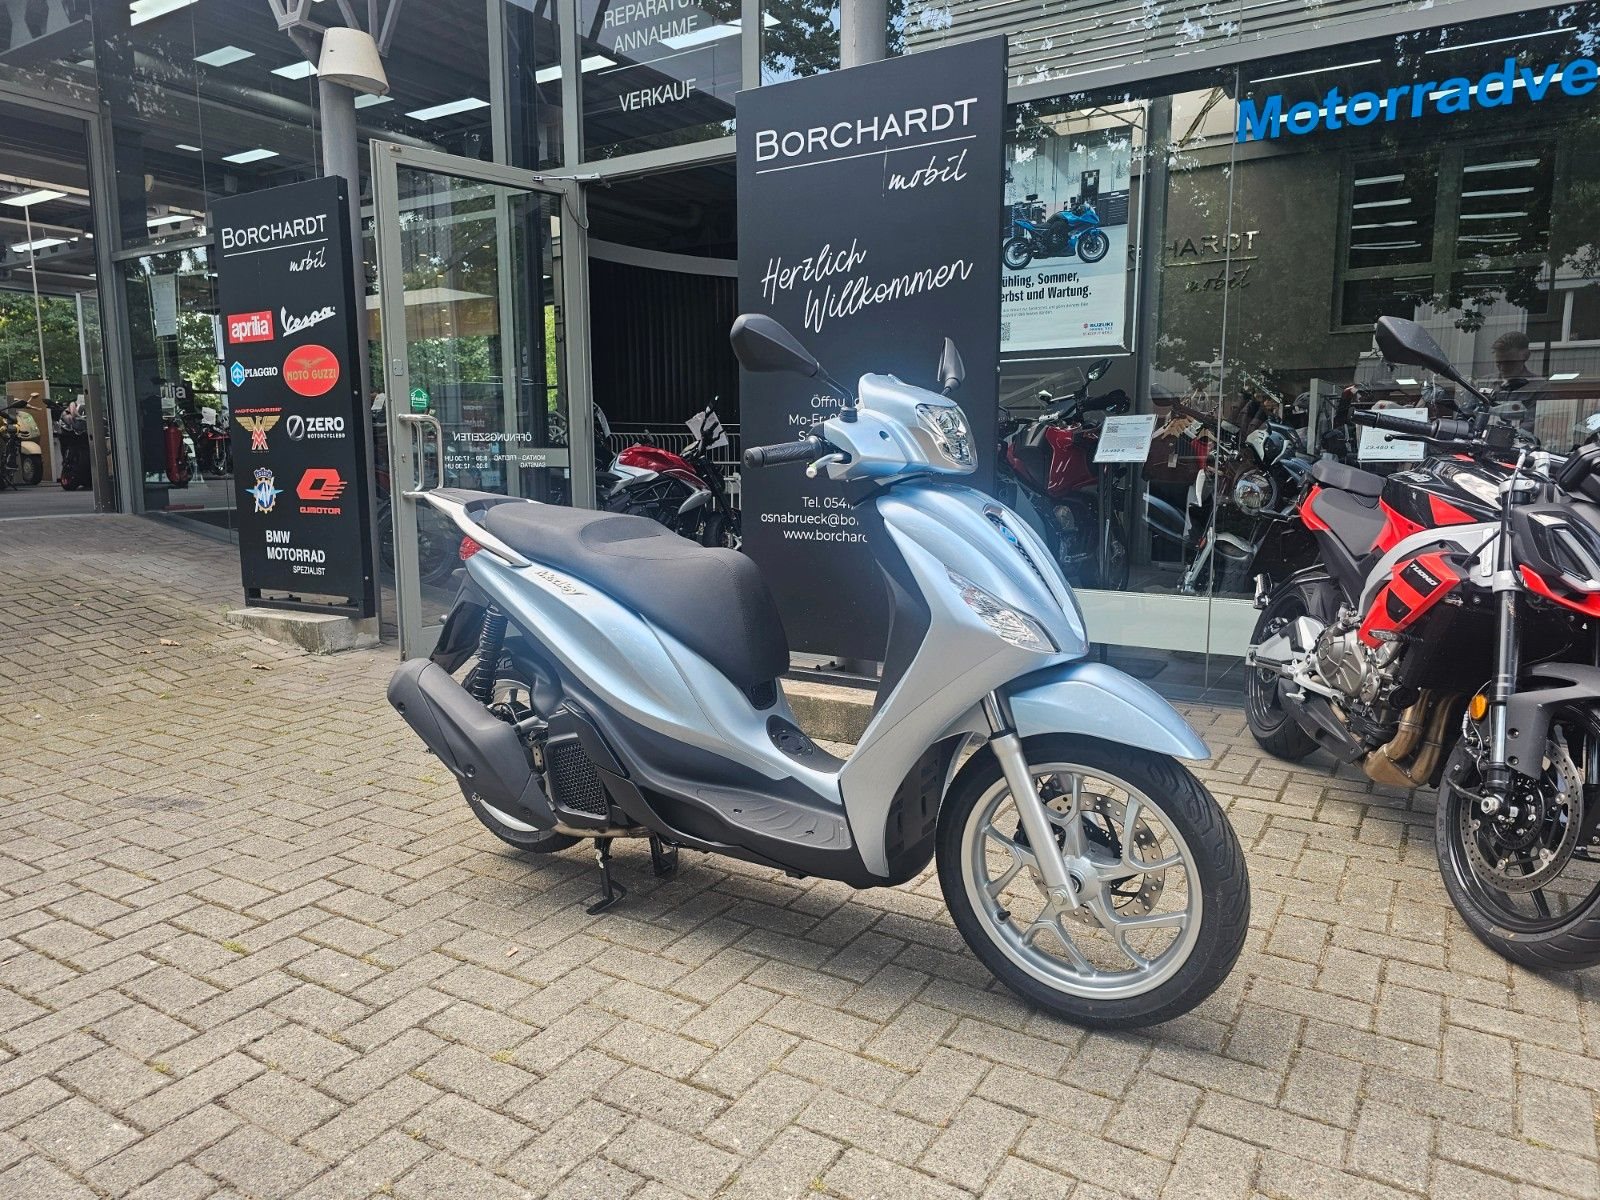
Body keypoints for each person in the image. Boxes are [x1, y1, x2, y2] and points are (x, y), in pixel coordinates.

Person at [1484, 330, 1549, 439]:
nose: (1503, 368)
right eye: (1498, 363)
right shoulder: (1485, 382)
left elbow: (1533, 423)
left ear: (1526, 356)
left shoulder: (1540, 387)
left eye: (1509, 363)